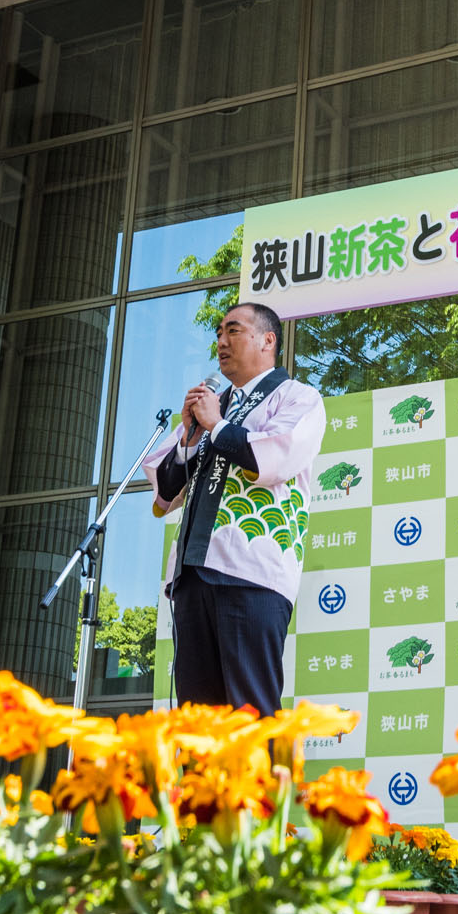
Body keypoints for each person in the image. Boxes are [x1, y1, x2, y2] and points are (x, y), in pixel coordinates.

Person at [144, 302, 324, 715]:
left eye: (233, 331)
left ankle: (261, 783)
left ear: (267, 340)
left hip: (252, 571)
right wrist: (190, 436)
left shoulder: (297, 397)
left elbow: (274, 458)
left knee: (250, 710)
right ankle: (203, 784)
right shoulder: (211, 407)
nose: (221, 342)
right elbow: (167, 491)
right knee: (199, 719)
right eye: (219, 334)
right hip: (192, 573)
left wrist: (217, 426)